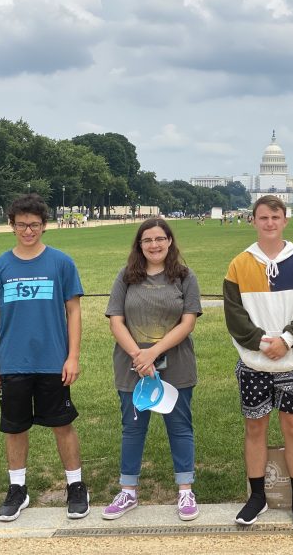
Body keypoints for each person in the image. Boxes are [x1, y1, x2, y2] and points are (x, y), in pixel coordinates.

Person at [0, 194, 89, 522]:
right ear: (12, 225)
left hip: (53, 361)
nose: (29, 230)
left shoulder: (61, 263)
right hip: (13, 362)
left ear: (45, 226)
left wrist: (72, 356)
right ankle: (17, 489)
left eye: (35, 225)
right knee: (14, 429)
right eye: (22, 224)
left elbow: (74, 311)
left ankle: (75, 486)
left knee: (62, 426)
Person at [223, 195, 293, 527]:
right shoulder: (239, 264)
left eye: (275, 217)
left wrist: (288, 340)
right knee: (255, 427)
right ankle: (257, 496)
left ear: (285, 220)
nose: (269, 223)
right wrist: (264, 343)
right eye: (262, 218)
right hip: (254, 361)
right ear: (253, 221)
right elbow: (235, 316)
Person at [102, 218, 202, 521]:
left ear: (169, 241)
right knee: (133, 428)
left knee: (179, 427)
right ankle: (128, 491)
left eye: (160, 238)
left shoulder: (185, 276)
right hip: (132, 365)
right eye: (147, 240)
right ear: (139, 244)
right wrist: (138, 356)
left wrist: (154, 352)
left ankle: (185, 490)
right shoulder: (126, 276)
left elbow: (188, 321)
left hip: (176, 363)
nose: (154, 245)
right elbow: (115, 320)